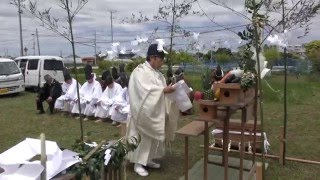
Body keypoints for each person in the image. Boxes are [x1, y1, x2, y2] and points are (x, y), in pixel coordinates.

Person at [126, 43, 176, 177]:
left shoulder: (158, 74)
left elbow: (159, 90)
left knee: (154, 139)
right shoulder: (140, 71)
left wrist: (168, 91)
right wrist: (163, 90)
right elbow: (144, 91)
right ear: (153, 58)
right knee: (142, 138)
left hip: (154, 111)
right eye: (161, 59)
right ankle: (138, 163)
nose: (162, 62)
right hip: (142, 113)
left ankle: (148, 160)